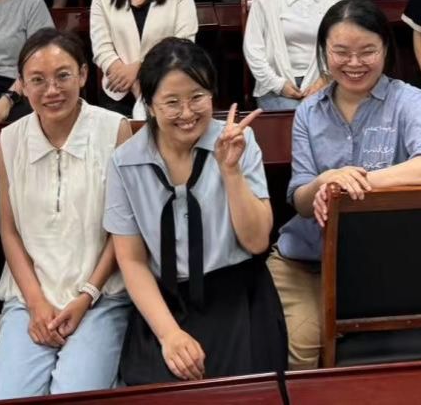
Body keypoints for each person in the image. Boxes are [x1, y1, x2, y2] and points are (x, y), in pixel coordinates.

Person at [267, 0, 421, 369]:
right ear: (324, 52)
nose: (354, 63)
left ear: (385, 48)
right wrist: (323, 181)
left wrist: (353, 182)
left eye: (367, 51)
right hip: (307, 260)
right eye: (341, 52)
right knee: (304, 346)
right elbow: (300, 199)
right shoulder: (309, 111)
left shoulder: (409, 101)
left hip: (381, 261)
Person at [105, 38, 286, 385]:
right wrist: (169, 334)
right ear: (150, 105)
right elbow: (131, 260)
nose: (187, 113)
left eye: (197, 97)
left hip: (237, 290)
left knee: (244, 390)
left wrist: (230, 172)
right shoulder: (124, 162)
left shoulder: (239, 141)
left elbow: (257, 242)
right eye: (172, 102)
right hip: (165, 299)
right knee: (156, 388)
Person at [0, 29, 132, 399]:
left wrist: (86, 296)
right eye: (37, 80)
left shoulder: (114, 130)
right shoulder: (10, 139)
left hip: (100, 296)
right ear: (22, 85)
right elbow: (9, 231)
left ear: (83, 75)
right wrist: (35, 302)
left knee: (74, 394)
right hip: (30, 296)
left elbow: (123, 230)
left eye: (63, 76)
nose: (51, 90)